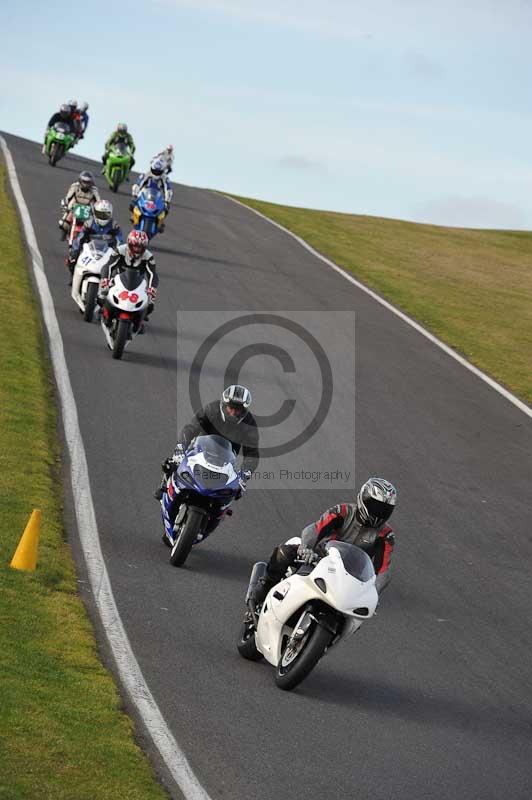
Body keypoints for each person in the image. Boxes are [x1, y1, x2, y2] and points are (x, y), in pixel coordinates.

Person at [251, 477, 397, 607]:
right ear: (363, 499)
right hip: (319, 558)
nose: (379, 512)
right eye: (375, 506)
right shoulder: (343, 511)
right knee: (284, 552)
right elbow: (314, 530)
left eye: (385, 509)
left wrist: (374, 594)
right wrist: (306, 548)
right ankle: (264, 586)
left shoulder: (385, 534)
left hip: (351, 578)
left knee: (359, 614)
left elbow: (384, 570)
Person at [154, 385, 259, 534]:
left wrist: (244, 476)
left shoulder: (249, 424)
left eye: (238, 409)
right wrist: (180, 449)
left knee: (233, 490)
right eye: (231, 407)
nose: (233, 412)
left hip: (226, 458)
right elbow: (190, 428)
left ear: (245, 411)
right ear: (224, 404)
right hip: (200, 449)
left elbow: (252, 454)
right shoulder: (212, 409)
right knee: (174, 462)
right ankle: (165, 482)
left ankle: (217, 512)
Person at [98, 230, 158, 325]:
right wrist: (105, 280)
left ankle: (140, 319)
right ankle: (105, 311)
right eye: (135, 246)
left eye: (140, 247)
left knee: (150, 304)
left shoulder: (148, 256)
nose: (137, 250)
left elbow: (153, 274)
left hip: (138, 282)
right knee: (102, 295)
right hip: (118, 278)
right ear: (129, 244)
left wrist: (152, 290)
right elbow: (108, 266)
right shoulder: (120, 250)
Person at [68, 199, 123, 271]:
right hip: (89, 252)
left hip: (107, 254)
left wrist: (119, 252)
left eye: (105, 214)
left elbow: (120, 241)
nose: (102, 217)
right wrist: (75, 251)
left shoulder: (114, 226)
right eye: (100, 214)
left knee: (118, 269)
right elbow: (79, 239)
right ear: (95, 213)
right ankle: (72, 280)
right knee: (73, 262)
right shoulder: (89, 223)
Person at [58, 170, 100, 238]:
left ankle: (88, 238)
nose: (86, 184)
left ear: (91, 182)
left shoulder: (94, 190)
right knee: (64, 224)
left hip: (87, 210)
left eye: (88, 182)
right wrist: (65, 205)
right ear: (80, 180)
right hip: (75, 208)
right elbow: (68, 197)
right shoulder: (75, 186)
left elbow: (98, 201)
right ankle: (65, 233)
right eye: (84, 182)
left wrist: (97, 210)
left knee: (93, 227)